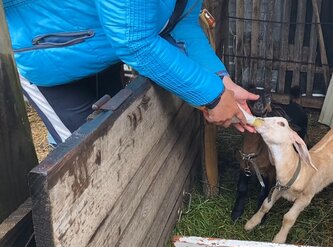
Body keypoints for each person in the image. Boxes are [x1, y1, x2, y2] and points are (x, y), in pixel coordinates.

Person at [3, 0, 258, 145]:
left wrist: (221, 81)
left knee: (112, 142)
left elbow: (183, 22)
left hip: (100, 52)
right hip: (45, 56)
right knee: (77, 159)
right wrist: (212, 96)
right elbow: (134, 41)